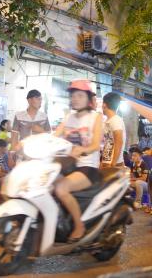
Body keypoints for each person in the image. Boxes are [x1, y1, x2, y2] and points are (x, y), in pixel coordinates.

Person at [54, 79, 103, 242]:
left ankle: (79, 225)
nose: (75, 98)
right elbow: (54, 137)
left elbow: (96, 144)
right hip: (67, 166)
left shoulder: (95, 117)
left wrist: (82, 149)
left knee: (61, 189)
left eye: (80, 95)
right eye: (73, 95)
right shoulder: (69, 117)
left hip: (87, 168)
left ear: (88, 99)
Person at [101, 92, 126, 168]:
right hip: (108, 162)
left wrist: (113, 164)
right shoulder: (108, 121)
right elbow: (108, 143)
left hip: (115, 164)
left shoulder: (115, 120)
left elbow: (119, 142)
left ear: (104, 105)